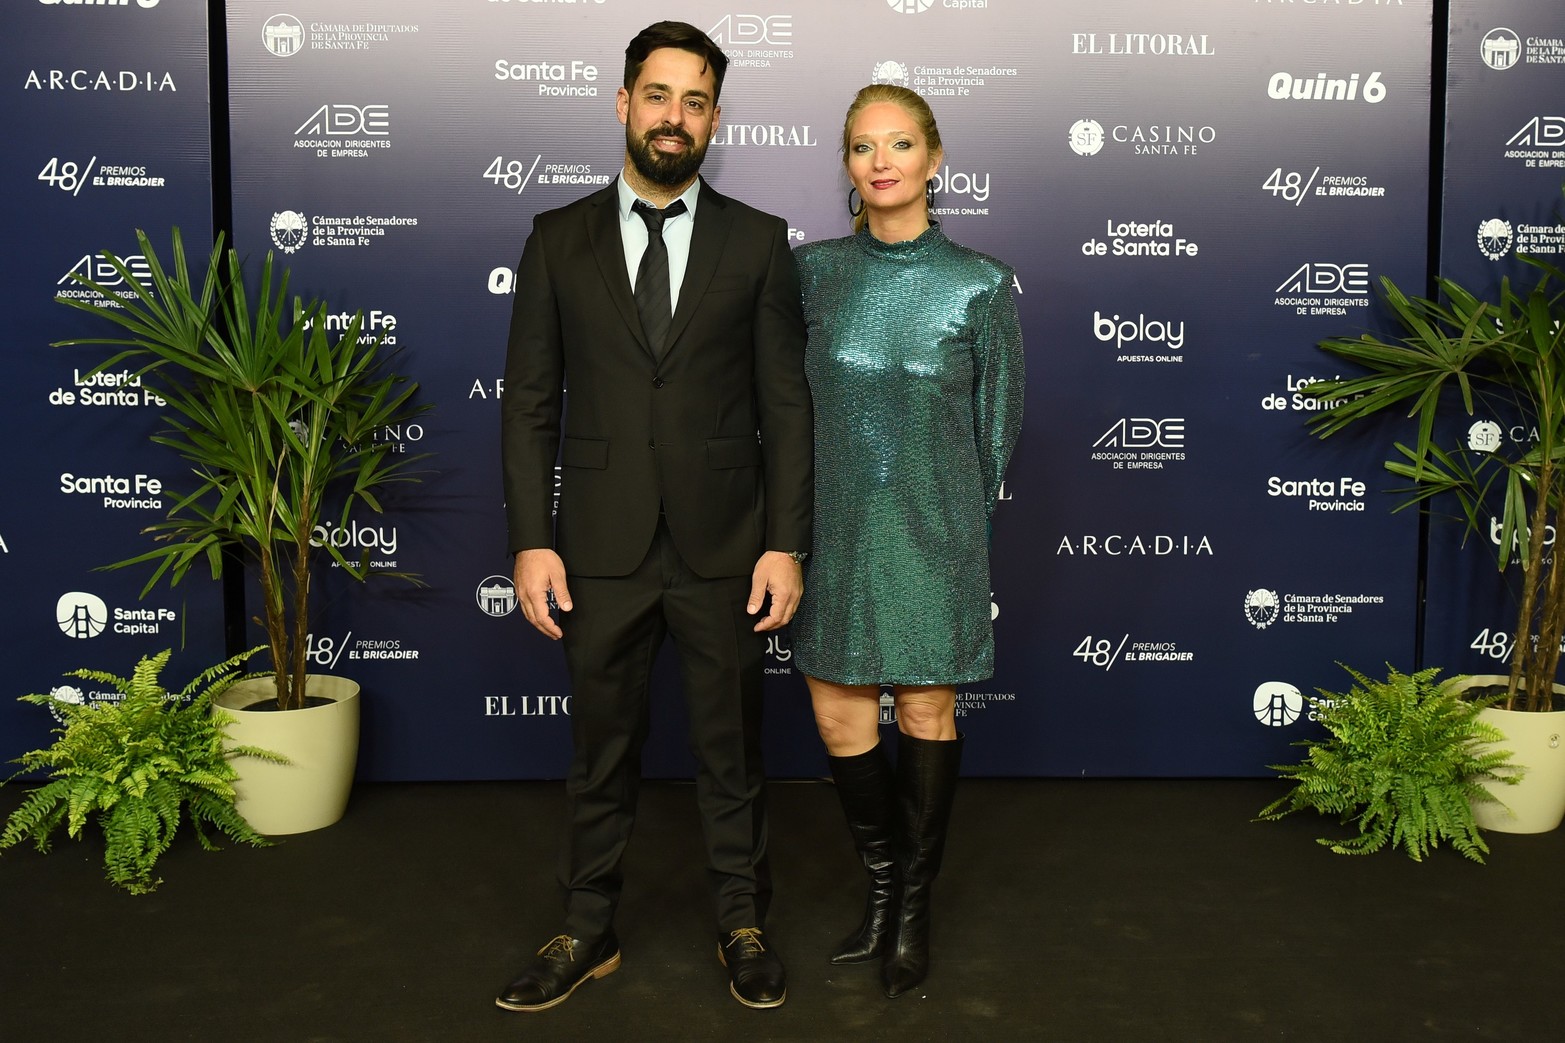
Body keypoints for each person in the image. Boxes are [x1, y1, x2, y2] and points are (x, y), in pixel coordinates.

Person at [497, 21, 812, 1012]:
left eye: (694, 100)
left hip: (724, 543)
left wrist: (784, 541)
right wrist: (530, 538)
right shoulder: (556, 238)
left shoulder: (758, 242)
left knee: (730, 747)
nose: (673, 117)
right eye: (657, 95)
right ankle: (585, 925)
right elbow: (529, 401)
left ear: (713, 117)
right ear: (623, 103)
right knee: (601, 748)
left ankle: (740, 919)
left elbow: (785, 404)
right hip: (597, 543)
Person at [790, 84, 1024, 1000]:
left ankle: (912, 909)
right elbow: (785, 410)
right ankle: (882, 892)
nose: (879, 161)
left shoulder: (980, 281)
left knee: (926, 710)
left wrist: (958, 528)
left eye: (897, 144)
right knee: (839, 715)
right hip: (833, 530)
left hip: (935, 530)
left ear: (934, 158)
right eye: (860, 147)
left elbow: (997, 428)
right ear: (846, 166)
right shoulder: (812, 275)